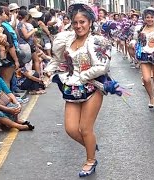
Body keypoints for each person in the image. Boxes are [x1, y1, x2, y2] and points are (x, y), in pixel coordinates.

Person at [44, 3, 112, 177]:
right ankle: (91, 145)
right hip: (72, 88)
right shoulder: (66, 40)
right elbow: (59, 60)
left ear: (90, 22)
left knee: (85, 129)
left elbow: (102, 66)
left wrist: (82, 76)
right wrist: (50, 70)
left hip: (92, 87)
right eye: (75, 22)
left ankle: (90, 160)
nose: (78, 26)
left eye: (82, 22)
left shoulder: (97, 41)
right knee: (71, 129)